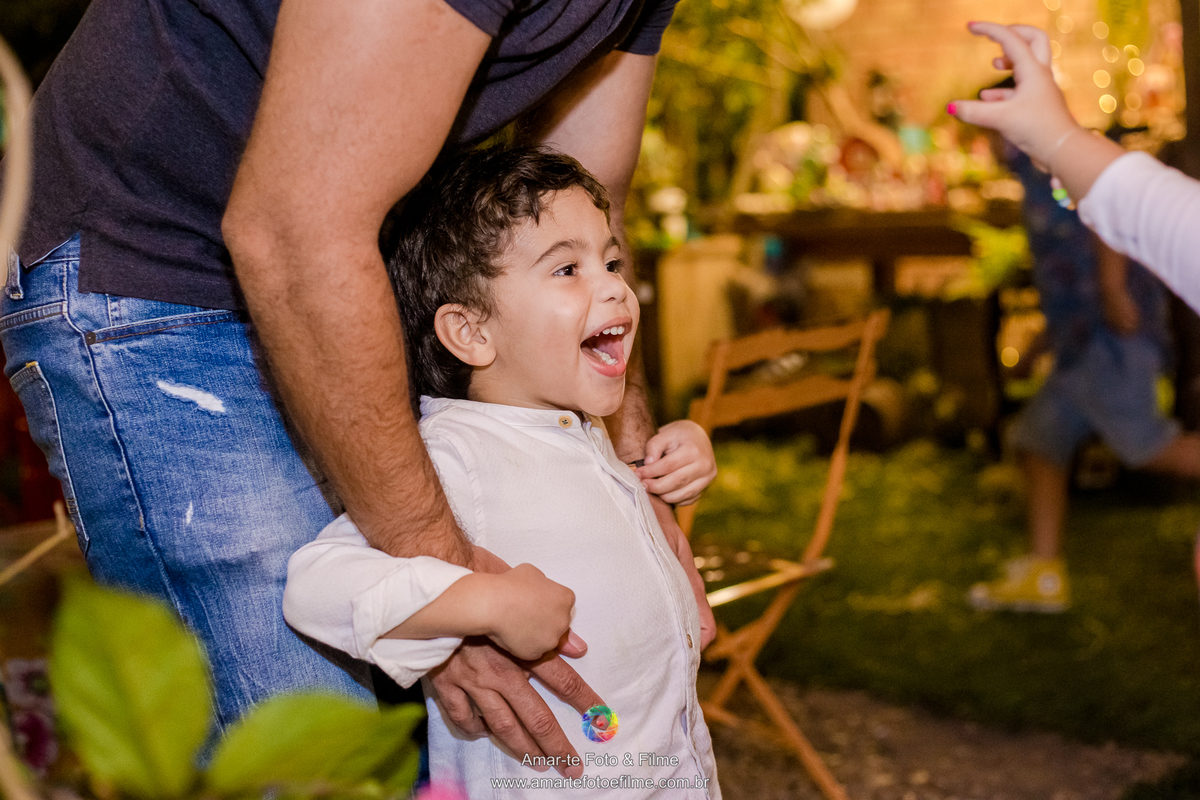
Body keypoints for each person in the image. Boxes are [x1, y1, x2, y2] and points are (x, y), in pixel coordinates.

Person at [2, 0, 716, 770]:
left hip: (339, 258)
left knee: (410, 746)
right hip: (155, 265)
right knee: (315, 754)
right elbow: (292, 229)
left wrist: (634, 477)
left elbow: (586, 189)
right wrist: (445, 601)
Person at [283, 146, 718, 797]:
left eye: (611, 260)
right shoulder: (456, 456)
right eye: (568, 268)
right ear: (471, 332)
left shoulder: (580, 429)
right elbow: (315, 585)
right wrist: (485, 602)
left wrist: (679, 448)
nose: (613, 287)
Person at [950, 21, 1200, 591]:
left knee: (1148, 450)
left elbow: (1108, 210)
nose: (984, 144)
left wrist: (1113, 290)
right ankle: (1044, 573)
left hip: (1112, 338)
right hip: (1081, 342)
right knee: (1039, 440)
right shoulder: (1028, 177)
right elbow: (1064, 270)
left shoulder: (1046, 162)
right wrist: (1045, 337)